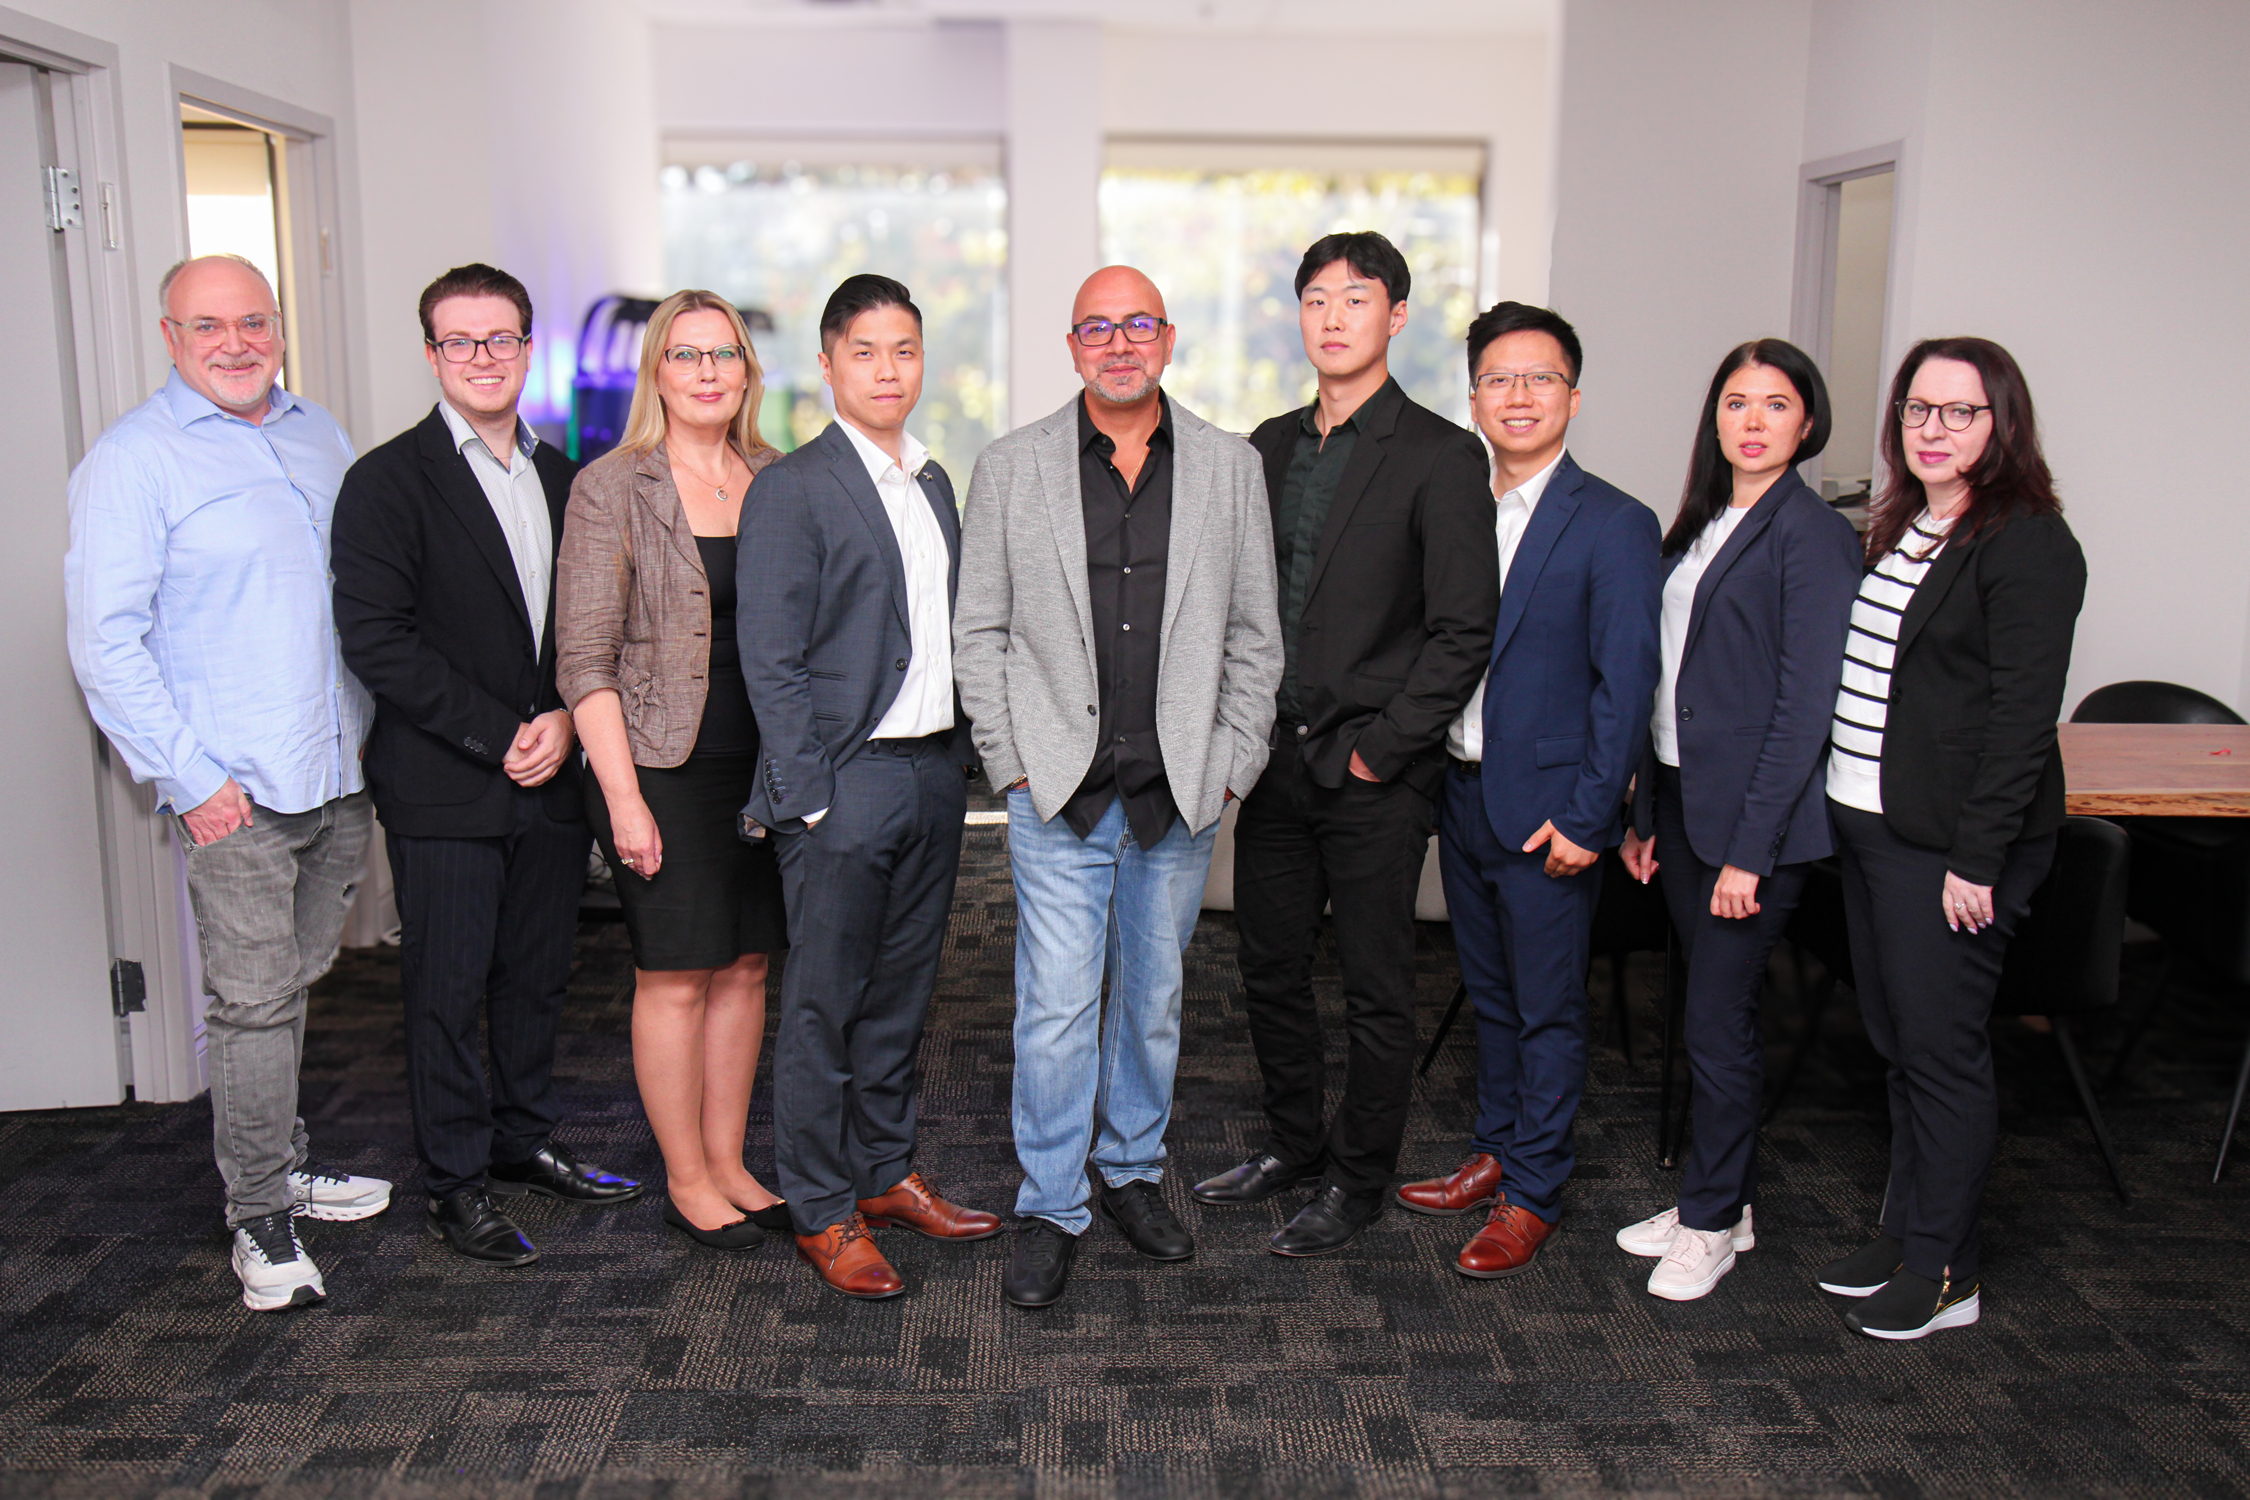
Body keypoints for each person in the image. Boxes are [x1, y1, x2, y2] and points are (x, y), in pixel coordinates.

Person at [64, 254, 391, 1312]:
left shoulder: (317, 431)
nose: (236, 342)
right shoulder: (133, 460)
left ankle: (282, 1157)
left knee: (291, 987)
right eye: (209, 326)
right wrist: (189, 778)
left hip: (335, 768)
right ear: (170, 336)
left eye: (253, 320)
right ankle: (258, 1215)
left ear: (279, 327)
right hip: (232, 788)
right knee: (251, 1006)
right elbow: (105, 643)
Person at [955, 266, 1282, 1307]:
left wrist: (1231, 764)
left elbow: (1254, 639)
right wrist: (1008, 758)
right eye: (1098, 327)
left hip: (1179, 794)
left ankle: (1132, 1172)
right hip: (1059, 789)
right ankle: (1052, 1201)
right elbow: (981, 633)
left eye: (1138, 324)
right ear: (1072, 345)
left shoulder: (1231, 469)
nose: (1119, 342)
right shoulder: (1012, 468)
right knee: (1053, 1011)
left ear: (1170, 339)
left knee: (1151, 1002)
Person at [1193, 232, 1497, 1258]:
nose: (1332, 317)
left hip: (1374, 768)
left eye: (1354, 299)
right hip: (1274, 759)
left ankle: (1358, 1179)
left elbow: (1464, 627)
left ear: (1395, 316)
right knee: (1269, 967)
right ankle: (1292, 1144)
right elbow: (1238, 607)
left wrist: (1385, 750)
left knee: (1373, 984)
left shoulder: (1442, 454)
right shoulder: (1266, 447)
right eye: (1315, 299)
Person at [333, 263, 642, 1269]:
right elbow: (377, 640)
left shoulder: (567, 478)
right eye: (460, 342)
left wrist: (559, 718)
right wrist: (496, 731)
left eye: (500, 339)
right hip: (446, 784)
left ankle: (521, 1138)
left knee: (536, 977)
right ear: (432, 355)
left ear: (527, 347)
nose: (482, 358)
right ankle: (456, 1183)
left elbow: (593, 626)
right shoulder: (386, 481)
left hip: (551, 777)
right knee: (446, 988)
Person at [738, 274, 1001, 1300]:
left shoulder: (934, 480)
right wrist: (809, 796)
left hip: (935, 778)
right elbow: (771, 658)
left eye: (904, 351)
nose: (888, 370)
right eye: (865, 352)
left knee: (900, 998)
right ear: (829, 364)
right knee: (822, 1006)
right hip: (844, 786)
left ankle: (885, 1172)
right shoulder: (794, 487)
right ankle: (820, 1206)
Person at [1816, 337, 2085, 1340]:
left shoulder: (2027, 544)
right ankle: (1909, 1232)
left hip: (1949, 851)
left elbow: (2022, 720)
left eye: (1959, 413)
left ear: (2001, 425)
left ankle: (1946, 1274)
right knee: (1897, 1046)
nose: (1933, 429)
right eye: (1919, 410)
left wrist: (1978, 859)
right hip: (1875, 829)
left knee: (1941, 1054)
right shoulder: (1910, 527)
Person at [1407, 301, 1660, 1280]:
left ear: (1574, 396)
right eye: (1498, 380)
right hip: (1463, 795)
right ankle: (1496, 1150)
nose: (1518, 396)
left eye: (1539, 378)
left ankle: (1535, 1192)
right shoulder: (1458, 505)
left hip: (1552, 812)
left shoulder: (1615, 523)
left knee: (1550, 1009)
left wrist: (1592, 816)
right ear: (1472, 397)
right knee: (1492, 997)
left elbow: (1625, 683)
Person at [1611, 340, 1862, 1300]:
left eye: (1776, 403)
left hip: (1750, 831)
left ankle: (1712, 1222)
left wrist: (1750, 854)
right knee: (1705, 1014)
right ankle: (1729, 1199)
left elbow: (1806, 711)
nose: (1752, 420)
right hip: (1682, 805)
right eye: (1735, 402)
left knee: (1719, 1024)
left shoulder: (1812, 534)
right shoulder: (1709, 520)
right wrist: (1644, 809)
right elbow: (1664, 676)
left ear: (1808, 422)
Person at [555, 290, 790, 1253]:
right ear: (658, 370)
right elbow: (584, 658)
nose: (706, 372)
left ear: (747, 372)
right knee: (675, 975)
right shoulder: (613, 486)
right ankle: (686, 1177)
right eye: (686, 355)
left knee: (744, 968)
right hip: (661, 765)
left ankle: (731, 1161)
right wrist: (623, 799)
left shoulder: (779, 476)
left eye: (723, 355)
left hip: (767, 766)